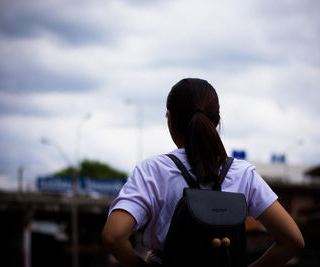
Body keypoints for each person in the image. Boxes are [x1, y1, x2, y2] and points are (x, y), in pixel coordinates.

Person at [102, 78, 304, 266]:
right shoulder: (243, 173)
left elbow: (114, 236)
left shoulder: (153, 171)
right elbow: (292, 241)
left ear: (170, 119)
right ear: (216, 121)